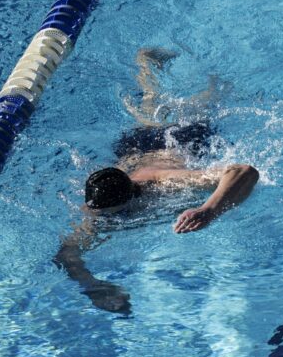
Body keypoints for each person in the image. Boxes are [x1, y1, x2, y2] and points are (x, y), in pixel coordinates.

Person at [54, 48, 258, 313]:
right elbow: (66, 255)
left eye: (105, 212)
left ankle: (216, 78)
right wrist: (93, 287)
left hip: (180, 142)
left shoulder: (164, 182)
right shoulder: (98, 203)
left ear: (129, 197)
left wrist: (209, 209)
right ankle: (146, 62)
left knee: (206, 103)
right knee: (150, 110)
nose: (96, 215)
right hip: (134, 148)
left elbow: (243, 171)